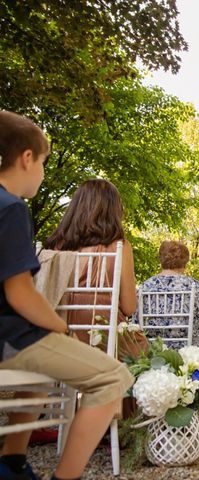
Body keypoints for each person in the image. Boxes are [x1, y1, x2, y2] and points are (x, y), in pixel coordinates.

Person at [0, 111, 133, 480]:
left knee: (41, 371)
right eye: (43, 162)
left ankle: (12, 462)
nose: (42, 172)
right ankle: (66, 476)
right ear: (26, 158)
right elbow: (20, 293)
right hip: (12, 338)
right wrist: (61, 327)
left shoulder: (54, 246)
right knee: (115, 376)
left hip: (17, 340)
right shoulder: (11, 208)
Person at [44, 179, 138, 345]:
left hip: (58, 334)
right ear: (113, 210)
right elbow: (129, 307)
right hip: (103, 337)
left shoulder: (54, 250)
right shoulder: (119, 246)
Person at [137, 241, 199, 349]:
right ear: (185, 262)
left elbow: (136, 323)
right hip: (188, 353)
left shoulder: (145, 287)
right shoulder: (195, 286)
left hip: (153, 351)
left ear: (161, 259)